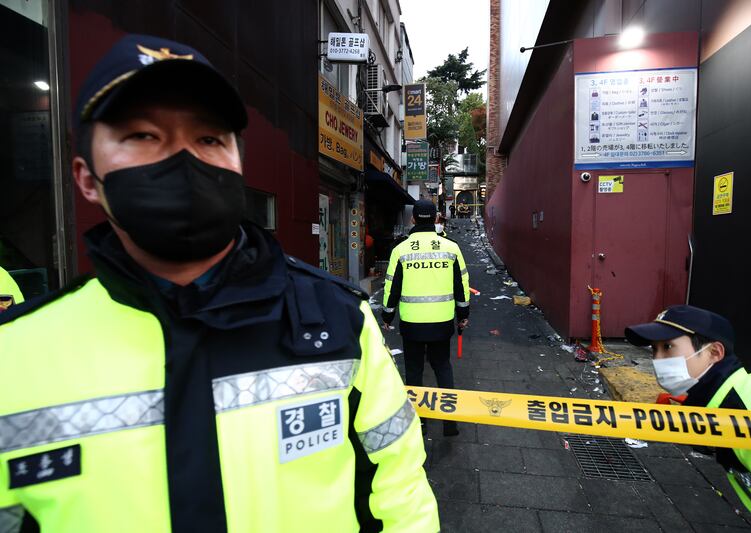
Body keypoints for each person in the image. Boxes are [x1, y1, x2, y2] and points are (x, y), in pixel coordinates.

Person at [0, 34, 437, 532]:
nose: (184, 160)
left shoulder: (338, 321)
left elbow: (401, 491)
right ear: (84, 177)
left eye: (209, 139)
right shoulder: (14, 355)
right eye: (143, 136)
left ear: (237, 163)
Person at [626, 305, 751, 532]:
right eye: (654, 350)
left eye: (668, 347)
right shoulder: (726, 406)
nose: (658, 360)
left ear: (714, 353)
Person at [382, 199, 469, 436]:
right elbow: (461, 284)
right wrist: (463, 315)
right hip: (442, 323)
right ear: (436, 219)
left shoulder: (400, 249)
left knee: (413, 370)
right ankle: (449, 423)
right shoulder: (451, 248)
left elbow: (391, 287)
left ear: (412, 220)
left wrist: (387, 316)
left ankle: (418, 421)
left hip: (412, 324)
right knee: (442, 366)